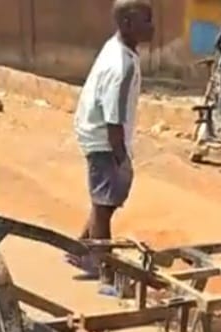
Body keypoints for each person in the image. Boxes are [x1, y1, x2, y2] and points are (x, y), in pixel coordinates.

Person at [69, 0, 154, 295]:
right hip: (104, 140)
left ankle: (81, 251)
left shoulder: (118, 47)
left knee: (103, 200)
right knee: (105, 205)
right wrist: (122, 159)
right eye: (146, 20)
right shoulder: (122, 65)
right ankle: (105, 275)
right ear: (127, 23)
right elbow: (113, 120)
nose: (152, 27)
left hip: (95, 132)